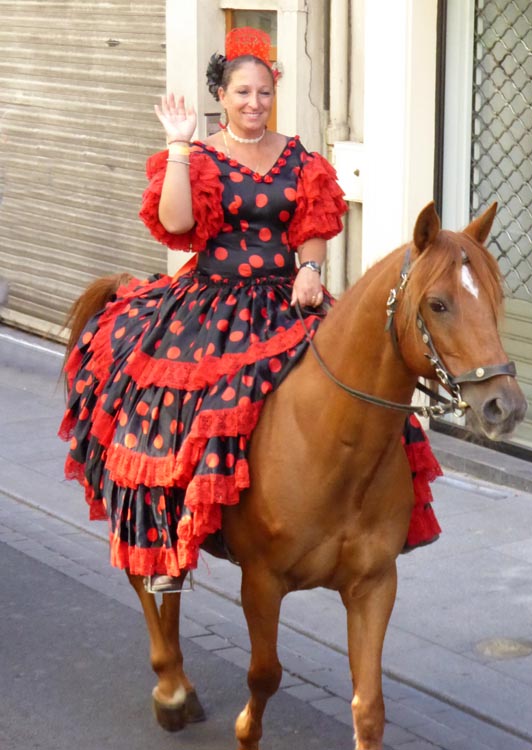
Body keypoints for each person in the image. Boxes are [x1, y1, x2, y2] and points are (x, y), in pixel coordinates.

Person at [59, 27, 442, 594]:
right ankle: (170, 542)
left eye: (263, 92)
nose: (254, 104)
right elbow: (180, 223)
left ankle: (367, 521)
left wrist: (311, 270)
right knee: (175, 407)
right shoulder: (203, 155)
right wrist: (180, 146)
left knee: (363, 385)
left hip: (289, 296)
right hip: (213, 305)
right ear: (223, 96)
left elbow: (313, 225)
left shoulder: (298, 157)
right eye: (242, 93)